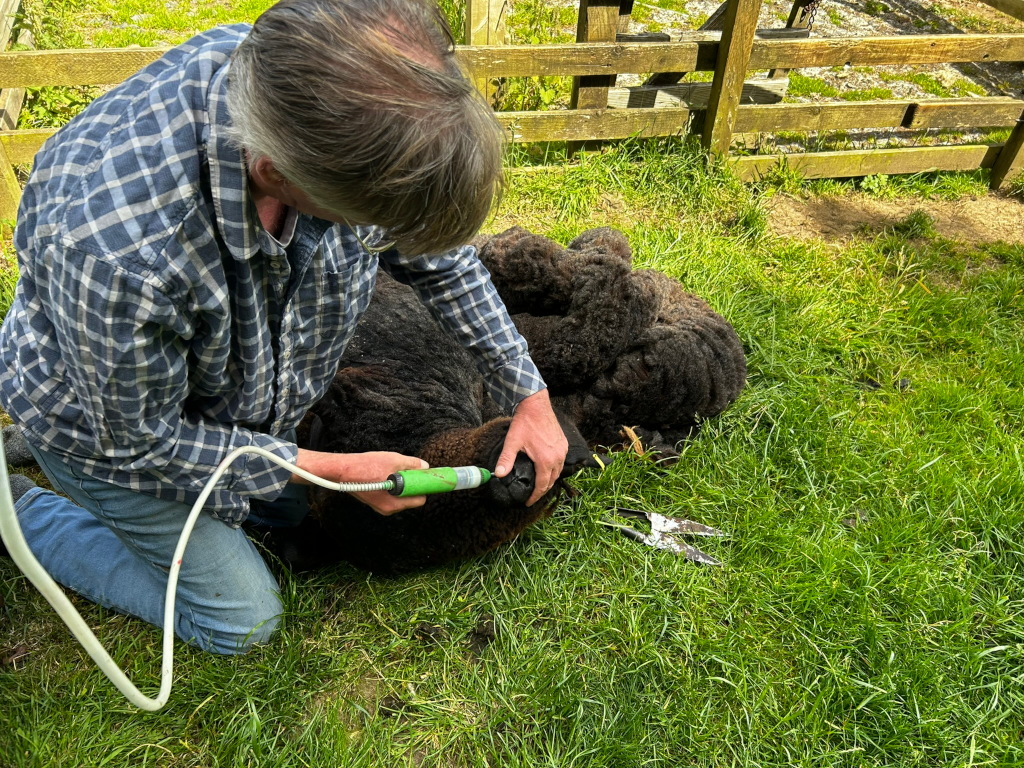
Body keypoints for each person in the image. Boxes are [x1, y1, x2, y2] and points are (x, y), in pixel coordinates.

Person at [0, 0, 567, 654]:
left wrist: (530, 394)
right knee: (243, 621)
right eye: (367, 220)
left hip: (215, 398)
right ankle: (21, 505)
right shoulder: (122, 254)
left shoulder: (314, 90)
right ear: (276, 176)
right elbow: (142, 441)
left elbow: (440, 262)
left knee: (291, 518)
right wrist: (323, 466)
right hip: (110, 427)